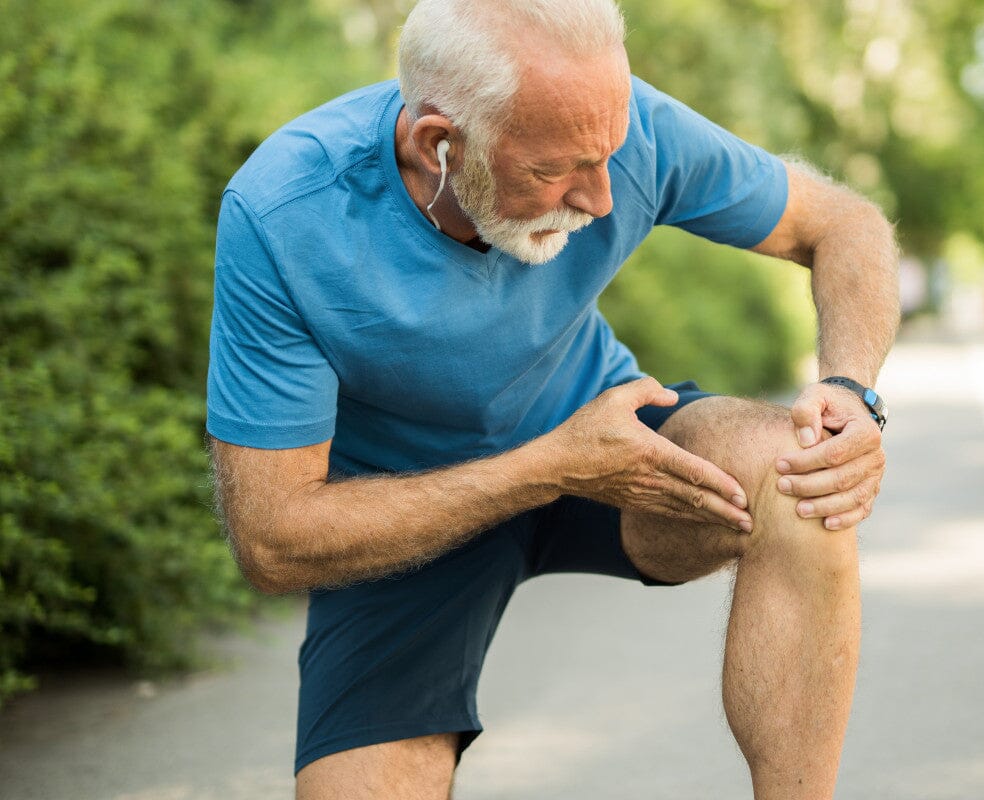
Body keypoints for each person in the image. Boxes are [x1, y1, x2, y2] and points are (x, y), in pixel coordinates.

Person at [207, 0, 899, 798]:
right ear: (440, 145)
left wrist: (850, 389)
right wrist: (545, 469)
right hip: (399, 519)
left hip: (610, 446)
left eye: (607, 152)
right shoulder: (285, 213)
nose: (602, 196)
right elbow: (273, 541)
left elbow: (844, 223)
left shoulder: (615, 130)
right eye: (554, 172)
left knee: (803, 476)